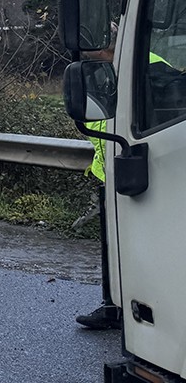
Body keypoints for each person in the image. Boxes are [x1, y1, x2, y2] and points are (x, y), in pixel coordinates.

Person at [74, 24, 168, 330]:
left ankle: (150, 310)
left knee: (147, 247)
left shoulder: (152, 72)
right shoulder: (109, 72)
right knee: (115, 247)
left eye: (94, 52)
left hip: (146, 175)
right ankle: (114, 306)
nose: (90, 59)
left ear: (110, 47)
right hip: (117, 174)